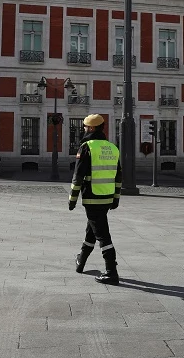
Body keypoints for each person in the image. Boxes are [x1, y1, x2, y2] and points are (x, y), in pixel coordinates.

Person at [69, 114, 122, 285]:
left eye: (85, 127)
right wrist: (116, 198)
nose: (84, 129)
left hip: (92, 197)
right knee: (91, 231)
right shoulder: (113, 148)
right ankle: (81, 260)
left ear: (91, 128)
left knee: (103, 235)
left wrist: (72, 199)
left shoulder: (87, 147)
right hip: (107, 197)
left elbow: (78, 177)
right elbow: (118, 176)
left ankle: (111, 271)